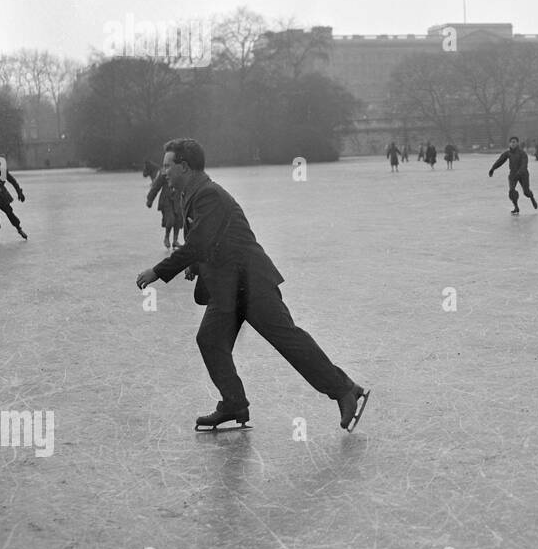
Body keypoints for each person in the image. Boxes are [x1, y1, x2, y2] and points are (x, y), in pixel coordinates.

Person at [135, 138, 370, 432]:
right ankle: (234, 403)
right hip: (228, 289)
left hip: (251, 284)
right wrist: (196, 266)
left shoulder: (208, 195)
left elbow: (198, 242)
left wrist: (158, 271)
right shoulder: (192, 194)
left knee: (288, 340)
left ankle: (345, 389)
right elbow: (212, 238)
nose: (164, 172)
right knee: (210, 340)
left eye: (168, 166)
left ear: (184, 166)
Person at [489, 135, 537, 214]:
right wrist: (493, 168)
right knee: (511, 191)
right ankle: (516, 207)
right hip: (513, 174)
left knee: (526, 192)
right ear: (509, 144)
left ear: (517, 143)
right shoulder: (508, 153)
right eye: (511, 142)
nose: (512, 144)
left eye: (514, 142)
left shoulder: (522, 153)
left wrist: (519, 173)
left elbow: (524, 165)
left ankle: (532, 198)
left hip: (523, 174)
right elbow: (500, 161)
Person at [146, 166, 184, 249]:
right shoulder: (164, 172)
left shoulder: (181, 171)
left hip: (177, 199)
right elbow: (156, 186)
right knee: (170, 219)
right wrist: (150, 199)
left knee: (178, 219)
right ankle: (166, 237)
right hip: (166, 200)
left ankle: (175, 240)